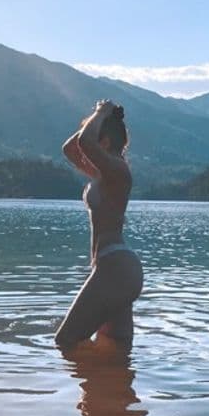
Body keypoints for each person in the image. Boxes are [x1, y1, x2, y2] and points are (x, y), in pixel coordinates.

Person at [54, 100, 143, 352]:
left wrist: (101, 113)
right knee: (115, 348)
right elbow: (70, 149)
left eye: (95, 136)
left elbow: (84, 143)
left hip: (115, 267)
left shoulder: (118, 172)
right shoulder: (102, 173)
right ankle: (109, 391)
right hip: (116, 270)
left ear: (103, 143)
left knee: (65, 341)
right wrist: (100, 117)